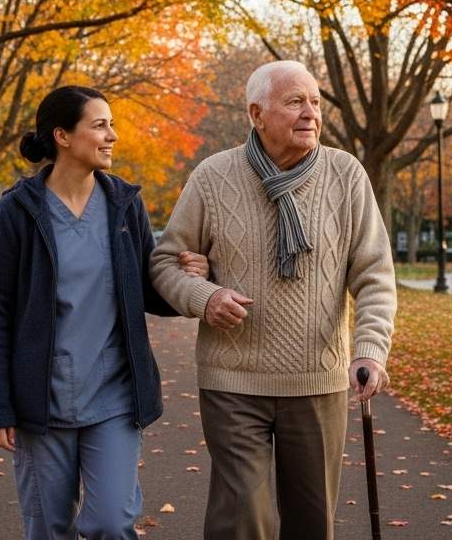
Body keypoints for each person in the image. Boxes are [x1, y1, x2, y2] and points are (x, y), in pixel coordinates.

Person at [152, 60, 397, 540]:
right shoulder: (213, 177)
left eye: (316, 102)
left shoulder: (345, 175)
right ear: (256, 113)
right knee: (242, 518)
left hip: (317, 380)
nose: (310, 113)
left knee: (311, 521)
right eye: (295, 102)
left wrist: (369, 348)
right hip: (232, 380)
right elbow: (164, 262)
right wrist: (205, 296)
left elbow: (374, 275)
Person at [0, 85, 207, 540]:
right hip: (41, 400)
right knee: (48, 527)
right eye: (100, 125)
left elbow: (149, 291)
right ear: (62, 136)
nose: (113, 136)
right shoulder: (18, 212)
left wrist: (192, 276)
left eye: (112, 125)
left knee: (111, 522)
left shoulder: (123, 205)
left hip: (113, 395)